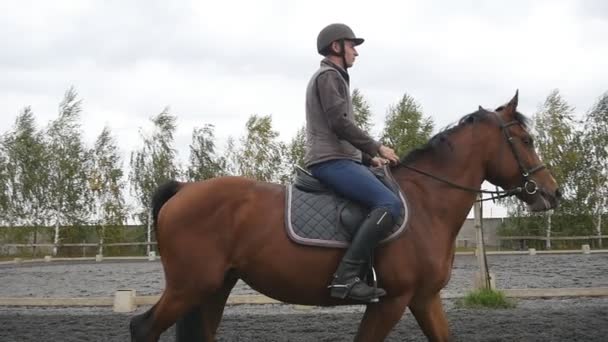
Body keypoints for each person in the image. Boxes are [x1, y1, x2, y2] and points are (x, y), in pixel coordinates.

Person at [304, 23, 402, 302]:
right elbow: (339, 124)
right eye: (352, 45)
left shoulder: (336, 78)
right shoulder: (328, 77)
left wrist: (370, 159)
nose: (356, 52)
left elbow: (342, 133)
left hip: (342, 158)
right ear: (337, 47)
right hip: (329, 161)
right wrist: (376, 146)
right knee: (389, 204)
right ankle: (345, 279)